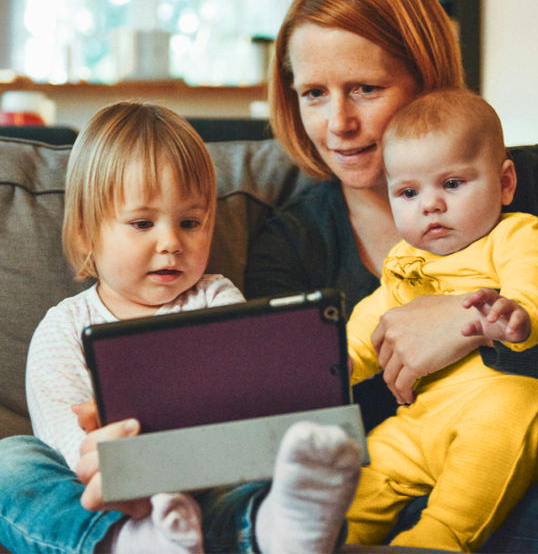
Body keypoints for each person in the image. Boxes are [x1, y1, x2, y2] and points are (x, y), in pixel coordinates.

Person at [244, 0, 538, 550]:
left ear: (426, 79)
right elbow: (286, 407)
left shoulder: (534, 183)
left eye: (365, 89)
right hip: (418, 486)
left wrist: (472, 320)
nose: (338, 122)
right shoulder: (293, 243)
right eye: (314, 94)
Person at [0, 101, 361, 554]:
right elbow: (66, 441)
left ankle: (278, 529)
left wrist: (302, 378)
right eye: (142, 223)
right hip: (110, 496)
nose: (172, 242)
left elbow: (251, 395)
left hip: (210, 483)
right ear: (85, 233)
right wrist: (118, 469)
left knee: (269, 473)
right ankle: (130, 542)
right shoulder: (64, 327)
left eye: (190, 222)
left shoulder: (215, 298)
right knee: (10, 462)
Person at [345, 89, 538, 551]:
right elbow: (375, 320)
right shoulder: (405, 261)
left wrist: (520, 309)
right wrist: (340, 361)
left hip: (535, 402)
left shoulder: (513, 234)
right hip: (428, 419)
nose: (430, 205)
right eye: (409, 192)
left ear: (505, 183)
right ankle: (327, 537)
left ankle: (436, 539)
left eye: (452, 184)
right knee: (375, 457)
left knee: (498, 419)